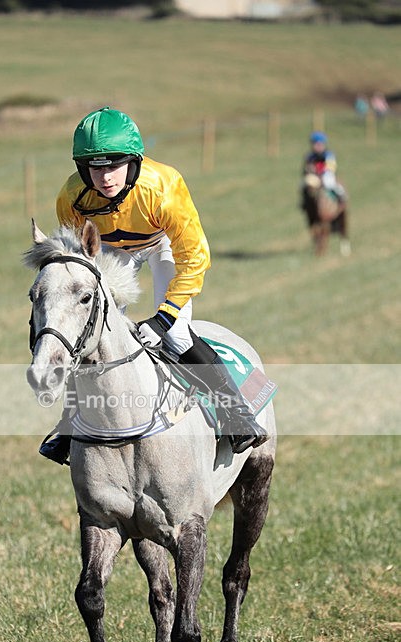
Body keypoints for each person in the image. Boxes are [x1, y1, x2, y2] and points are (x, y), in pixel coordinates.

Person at [40, 106, 268, 464]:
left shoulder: (163, 187)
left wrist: (164, 317)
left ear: (134, 161)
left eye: (114, 163)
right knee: (94, 334)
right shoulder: (71, 197)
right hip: (113, 249)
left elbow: (195, 258)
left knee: (176, 334)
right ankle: (71, 423)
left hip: (162, 243)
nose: (105, 176)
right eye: (94, 167)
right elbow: (79, 262)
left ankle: (236, 413)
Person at [301, 130, 345, 206]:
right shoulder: (310, 156)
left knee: (328, 183)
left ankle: (339, 196)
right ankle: (305, 203)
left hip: (326, 175)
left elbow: (331, 168)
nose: (317, 146)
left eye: (319, 144)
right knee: (304, 185)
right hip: (314, 176)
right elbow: (305, 169)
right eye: (315, 144)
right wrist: (308, 170)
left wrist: (321, 172)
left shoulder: (328, 155)